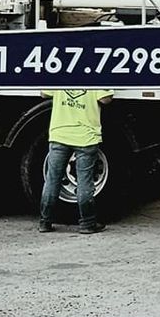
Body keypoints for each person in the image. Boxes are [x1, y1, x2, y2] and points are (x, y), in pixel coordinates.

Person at [39, 87, 110, 234]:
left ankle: (45, 222)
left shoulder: (61, 73)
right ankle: (87, 223)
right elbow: (105, 99)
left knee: (52, 180)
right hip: (86, 136)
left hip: (59, 134)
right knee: (84, 181)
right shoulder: (96, 74)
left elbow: (44, 93)